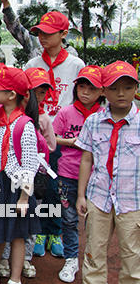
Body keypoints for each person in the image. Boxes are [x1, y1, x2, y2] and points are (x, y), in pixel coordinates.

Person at [24, 9, 84, 259]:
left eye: (49, 33)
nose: (42, 38)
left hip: (62, 136)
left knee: (59, 188)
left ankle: (55, 232)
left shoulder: (75, 65)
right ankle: (39, 231)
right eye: (39, 33)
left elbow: (80, 99)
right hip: (37, 135)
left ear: (64, 34)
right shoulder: (32, 65)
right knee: (38, 186)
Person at [76, 61, 140, 284]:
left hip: (133, 201)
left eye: (128, 87)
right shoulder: (93, 122)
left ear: (136, 88)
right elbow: (86, 159)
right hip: (99, 198)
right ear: (103, 90)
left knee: (134, 260)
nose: (121, 94)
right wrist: (81, 195)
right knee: (94, 255)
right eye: (114, 88)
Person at [0, 66, 41, 284]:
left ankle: (15, 277)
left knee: (17, 234)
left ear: (12, 95)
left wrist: (24, 198)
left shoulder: (24, 124)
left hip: (16, 186)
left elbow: (30, 164)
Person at [0, 67, 58, 279]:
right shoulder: (1, 117)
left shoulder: (36, 121)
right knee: (5, 223)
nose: (37, 96)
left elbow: (49, 148)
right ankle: (4, 260)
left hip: (29, 182)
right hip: (9, 180)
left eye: (42, 92)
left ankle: (23, 263)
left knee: (25, 227)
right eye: (34, 90)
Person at [52, 65, 105, 283]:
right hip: (68, 173)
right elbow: (52, 139)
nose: (85, 92)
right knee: (70, 219)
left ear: (102, 92)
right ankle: (71, 258)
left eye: (91, 88)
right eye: (81, 87)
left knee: (95, 223)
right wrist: (72, 142)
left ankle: (92, 261)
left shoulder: (104, 115)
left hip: (97, 177)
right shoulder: (65, 112)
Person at [0, 0, 78, 60]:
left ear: (63, 34)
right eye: (41, 31)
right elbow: (16, 28)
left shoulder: (71, 55)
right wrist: (6, 3)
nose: (43, 36)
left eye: (49, 32)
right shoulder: (35, 44)